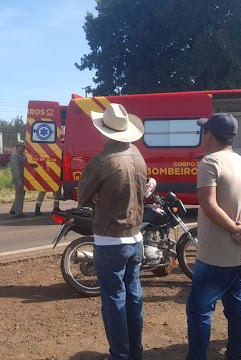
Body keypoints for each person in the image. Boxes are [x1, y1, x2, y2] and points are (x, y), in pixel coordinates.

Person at [186, 113, 241, 360]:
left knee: (199, 310)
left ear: (209, 134)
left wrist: (237, 229)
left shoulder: (210, 162)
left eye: (204, 131)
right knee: (236, 307)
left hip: (215, 256)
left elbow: (209, 205)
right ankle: (236, 355)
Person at [77, 103, 147, 360]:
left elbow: (81, 195)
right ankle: (135, 352)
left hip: (110, 239)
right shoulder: (137, 155)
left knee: (114, 299)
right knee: (134, 295)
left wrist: (95, 195)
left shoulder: (103, 160)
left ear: (104, 131)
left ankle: (120, 355)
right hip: (136, 236)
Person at [9, 141, 27, 218]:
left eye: (24, 147)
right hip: (18, 178)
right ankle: (19, 213)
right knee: (20, 195)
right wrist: (19, 180)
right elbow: (16, 170)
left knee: (20, 194)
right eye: (22, 147)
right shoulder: (15, 156)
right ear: (18, 147)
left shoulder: (22, 155)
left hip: (22, 178)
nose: (23, 148)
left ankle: (13, 209)